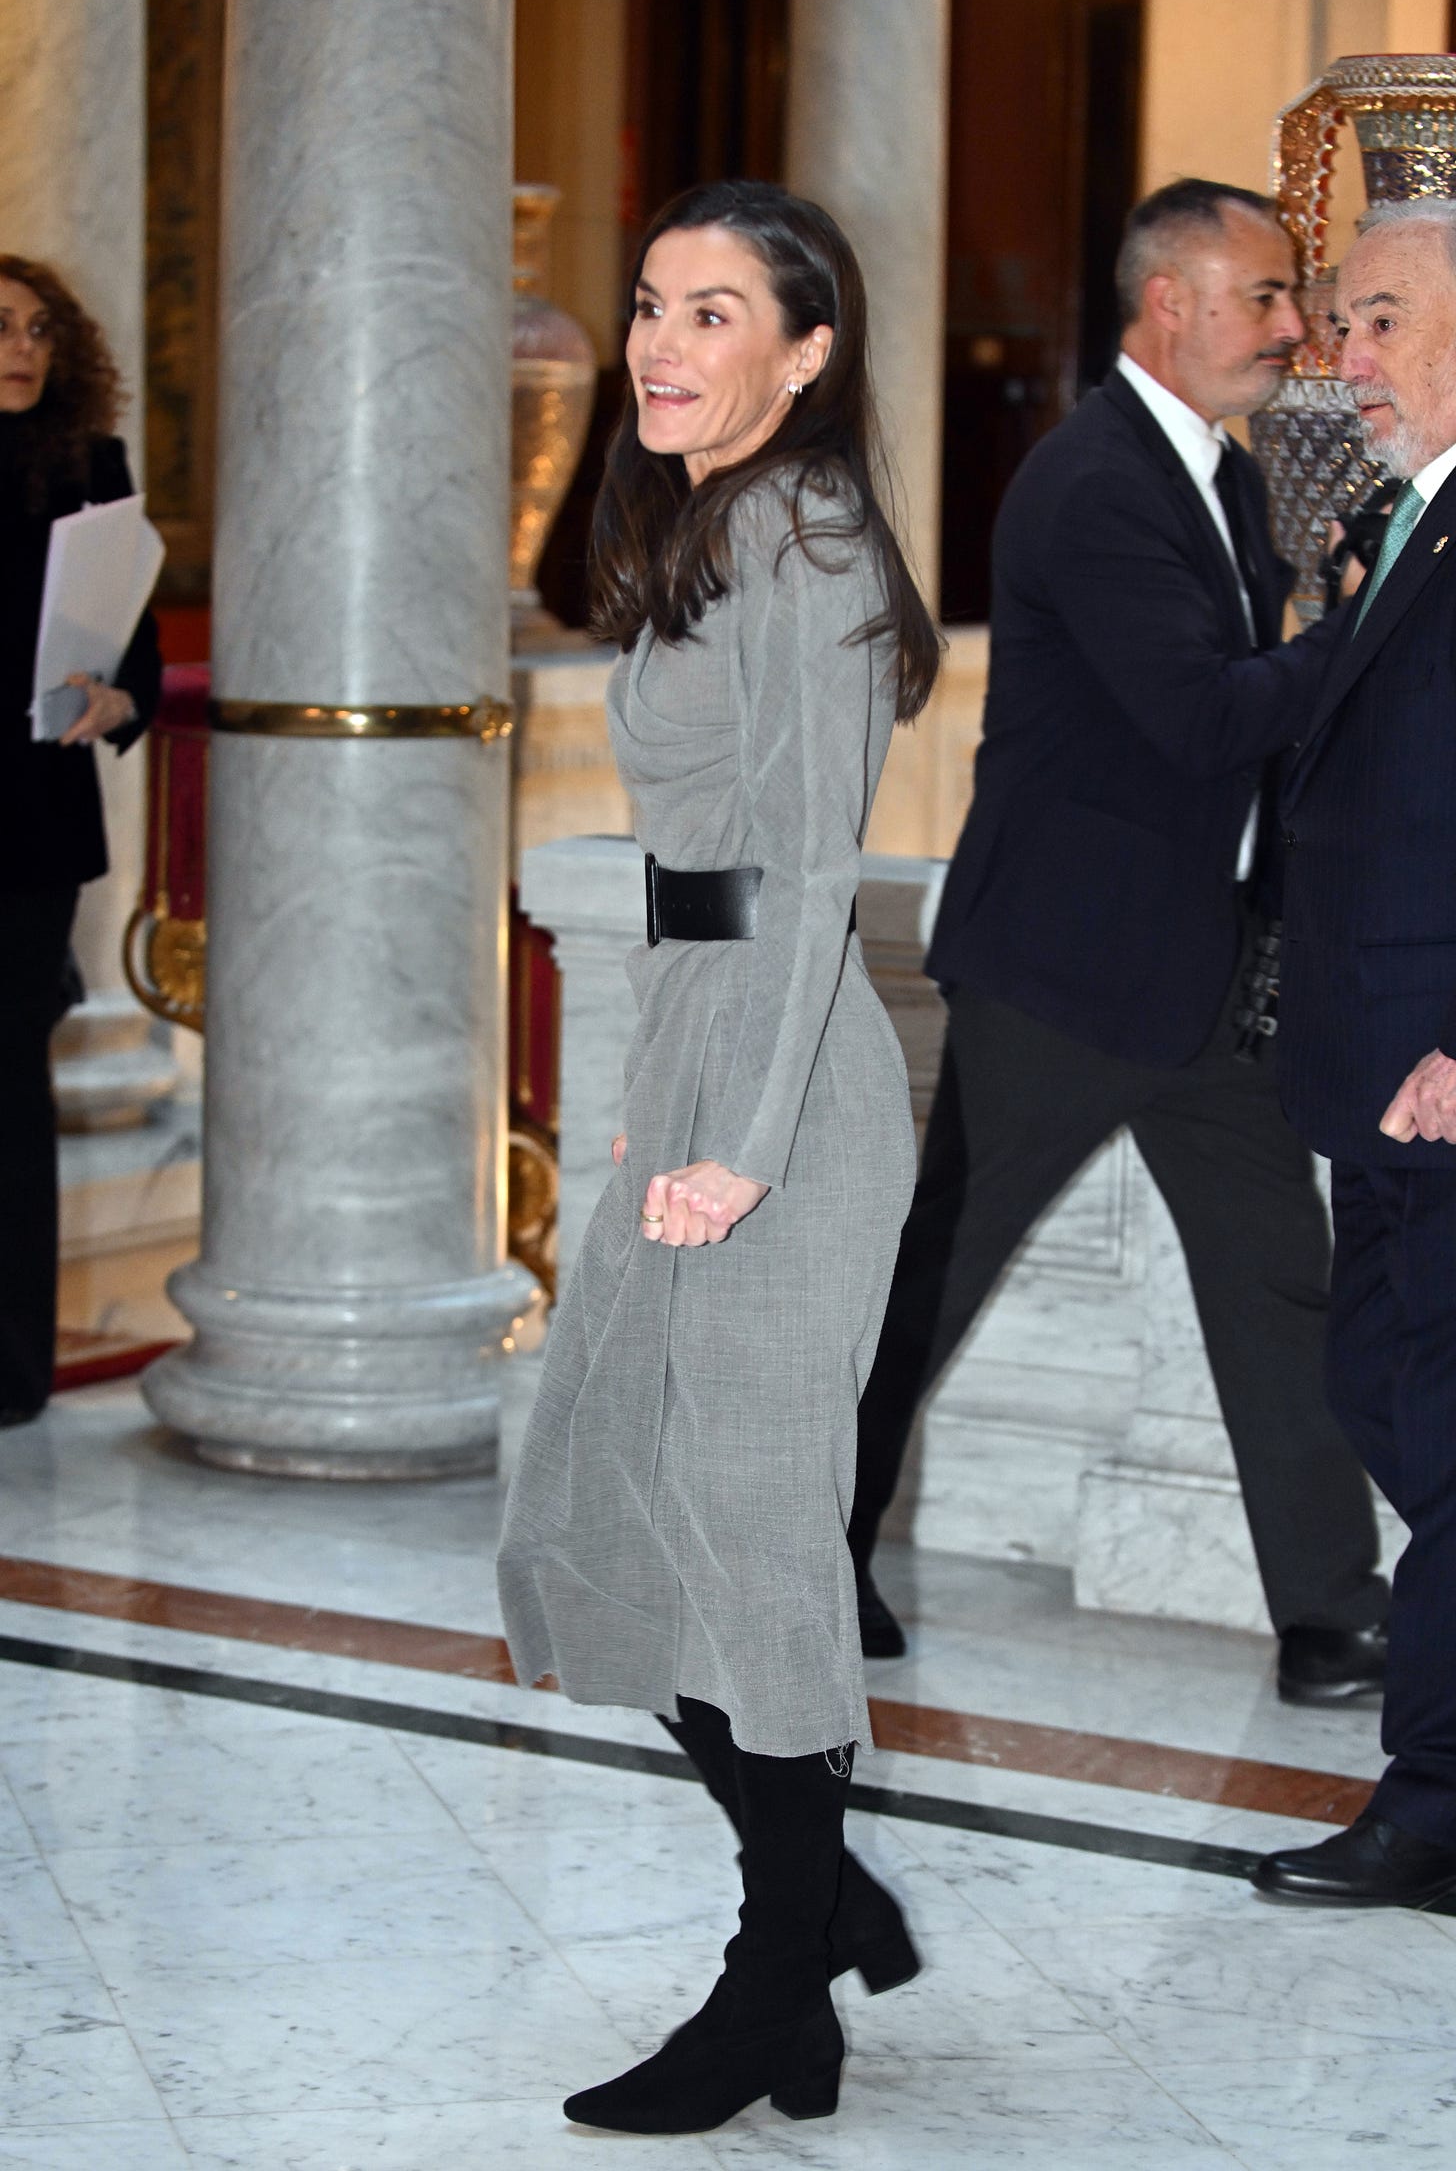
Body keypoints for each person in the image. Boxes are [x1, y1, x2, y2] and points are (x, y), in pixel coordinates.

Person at [497, 179, 938, 2135]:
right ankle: (823, 1905)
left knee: (745, 1553)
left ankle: (776, 1990)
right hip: (713, 1062)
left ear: (807, 352)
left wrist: (740, 1143)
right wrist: (658, 1082)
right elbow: (702, 876)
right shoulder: (712, 525)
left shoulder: (808, 539)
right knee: (614, 1511)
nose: (661, 345)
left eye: (713, 312)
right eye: (650, 305)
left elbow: (808, 873)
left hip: (791, 1104)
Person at [848, 179, 1391, 1702]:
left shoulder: (1211, 473)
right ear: (1170, 302)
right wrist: (1368, 623)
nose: (1293, 327)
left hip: (1206, 974)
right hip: (1063, 975)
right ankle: (801, 1554)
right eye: (1266, 296)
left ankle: (1331, 1622)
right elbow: (1204, 717)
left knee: (1277, 1283)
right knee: (934, 1275)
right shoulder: (1092, 481)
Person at [1254, 198, 1456, 1907]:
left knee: (1440, 1415)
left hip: (1440, 1066)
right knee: (1377, 1384)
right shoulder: (1408, 518)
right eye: (1344, 319)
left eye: (1382, 318)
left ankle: (1436, 1797)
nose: (1347, 354)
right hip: (1371, 1054)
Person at [0, 256, 161, 1428]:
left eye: (39, 330)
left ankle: (9, 1370)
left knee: (10, 1088)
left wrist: (113, 699)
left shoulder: (87, 466)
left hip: (28, 822)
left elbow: (133, 646)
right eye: (2, 327)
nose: (23, 348)